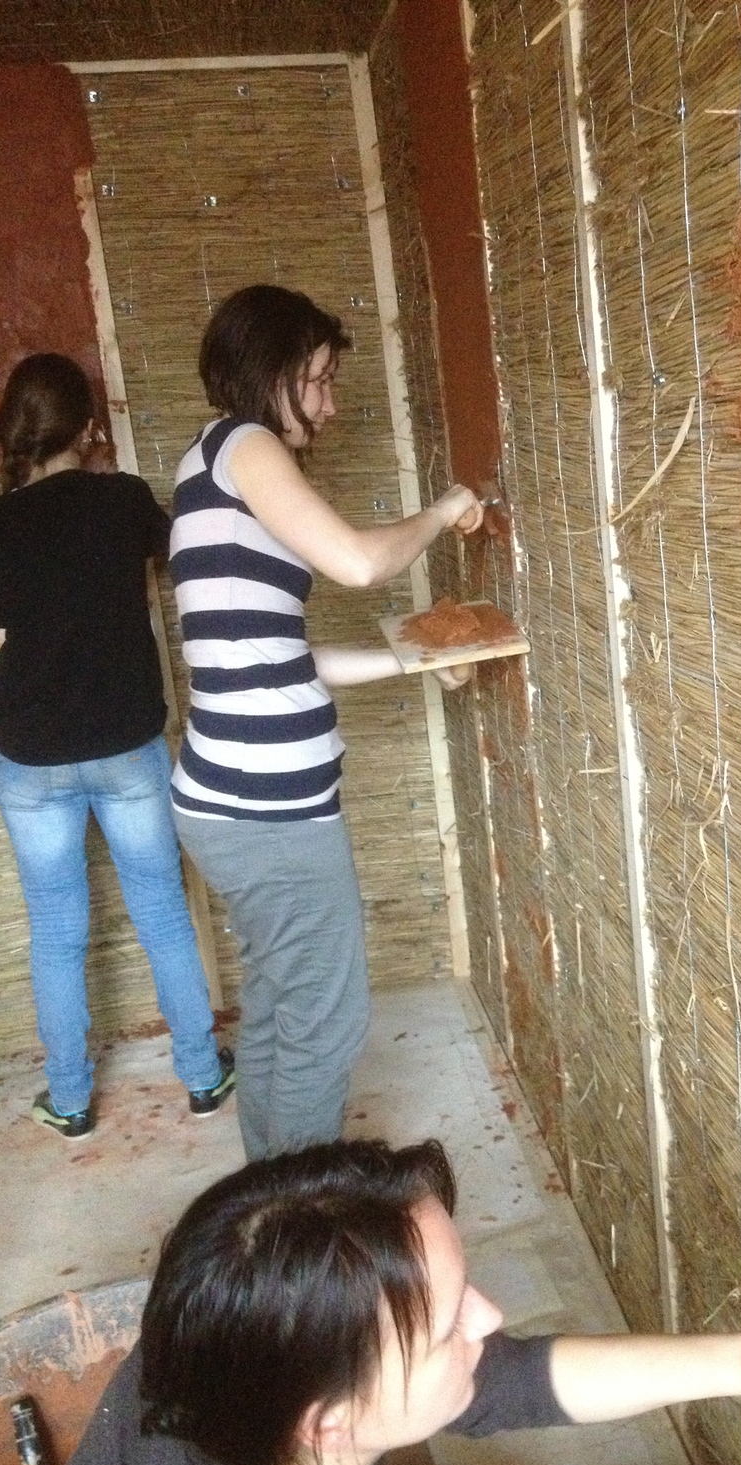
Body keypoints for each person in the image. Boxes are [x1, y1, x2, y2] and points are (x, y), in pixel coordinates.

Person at [28, 1138, 741, 1465]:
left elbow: (512, 1380)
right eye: (451, 1321)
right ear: (331, 1425)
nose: (489, 1317)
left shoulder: (216, 1348)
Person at [168, 286, 483, 1164]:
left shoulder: (210, 466)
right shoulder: (247, 443)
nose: (330, 405)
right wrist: (445, 508)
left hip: (234, 803)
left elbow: (279, 657)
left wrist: (412, 659)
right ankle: (298, 1230)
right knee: (323, 1020)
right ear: (271, 375)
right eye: (317, 380)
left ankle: (266, 1198)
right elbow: (354, 562)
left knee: (280, 1004)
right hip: (267, 816)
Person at [0, 353, 232, 1141]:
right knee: (163, 912)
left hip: (28, 753)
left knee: (55, 928)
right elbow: (181, 552)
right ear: (88, 425)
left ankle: (69, 1099)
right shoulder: (124, 500)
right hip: (128, 745)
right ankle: (201, 1074)